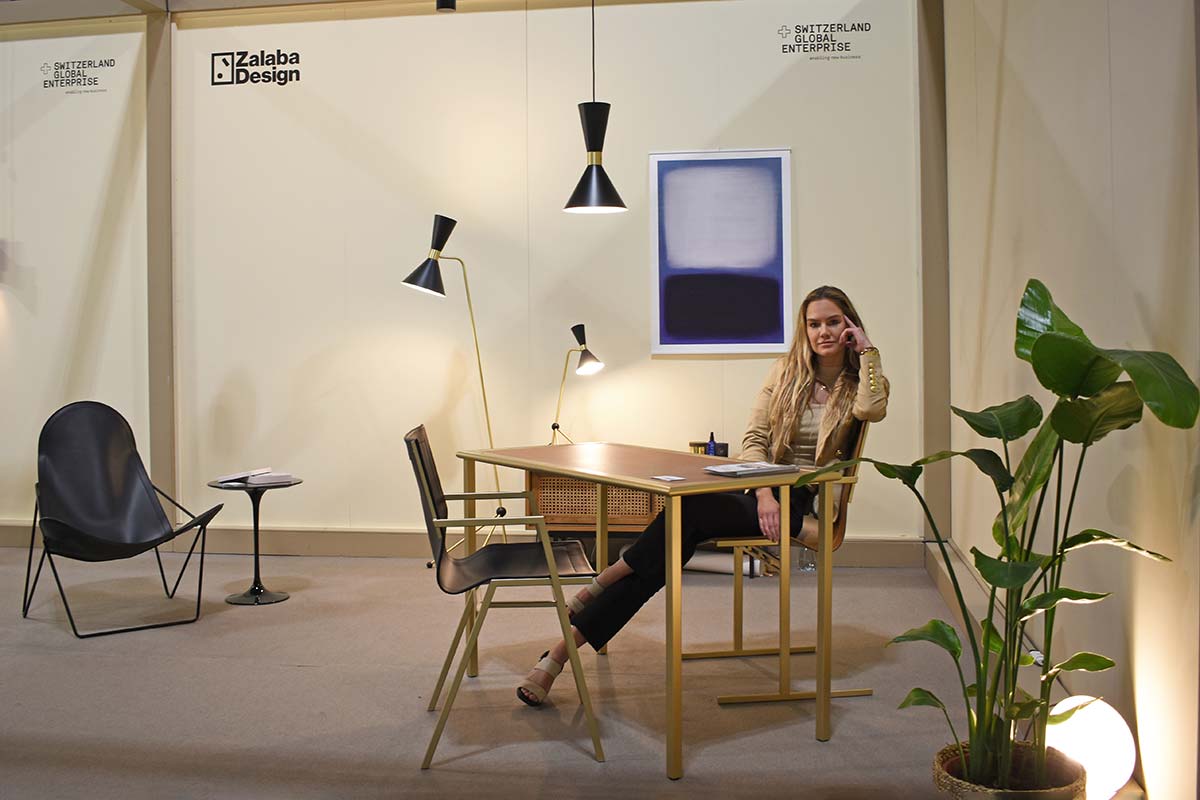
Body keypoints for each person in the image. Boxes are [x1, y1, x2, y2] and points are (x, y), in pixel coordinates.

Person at [517, 285, 890, 706]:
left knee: (685, 516)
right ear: (804, 330)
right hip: (764, 488)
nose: (823, 332)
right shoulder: (785, 373)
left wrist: (868, 351)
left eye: (833, 322)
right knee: (676, 534)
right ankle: (563, 647)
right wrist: (764, 493)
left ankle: (599, 591)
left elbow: (872, 410)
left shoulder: (864, 381)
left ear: (849, 325)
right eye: (814, 324)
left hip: (807, 502)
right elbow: (755, 440)